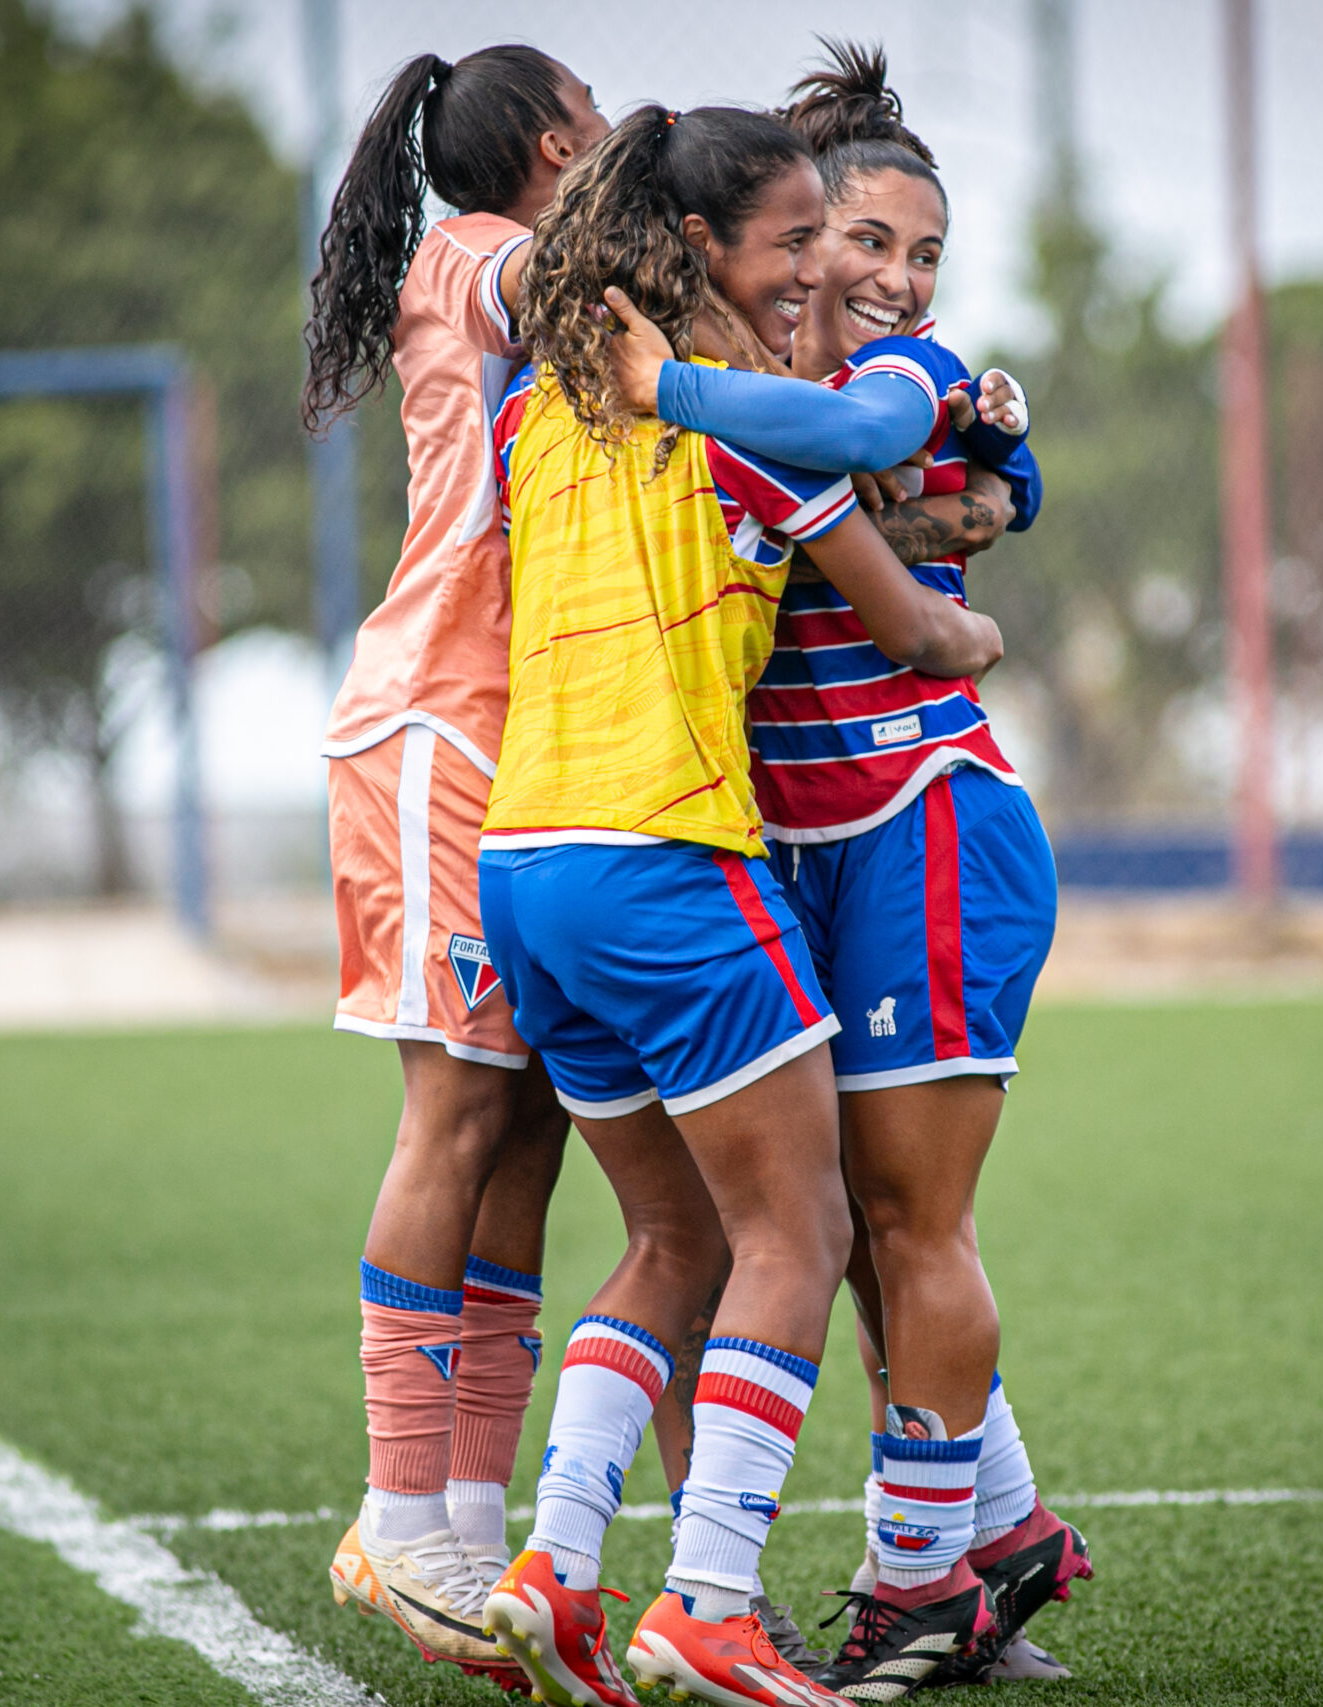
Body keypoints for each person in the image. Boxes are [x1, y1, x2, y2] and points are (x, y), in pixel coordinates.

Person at [473, 104, 1001, 1707]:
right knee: (806, 1226)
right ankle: (708, 1596)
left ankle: (556, 1564)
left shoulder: (527, 415)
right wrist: (963, 604)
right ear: (702, 247)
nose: (819, 275)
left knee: (669, 1231)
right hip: (671, 855)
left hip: (527, 866)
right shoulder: (754, 431)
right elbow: (913, 619)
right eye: (793, 244)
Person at [605, 45, 1089, 1694]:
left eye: (922, 251)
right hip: (775, 849)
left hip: (925, 822)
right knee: (850, 1222)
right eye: (862, 240)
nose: (894, 276)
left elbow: (926, 445)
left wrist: (979, 482)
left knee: (906, 1215)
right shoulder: (738, 375)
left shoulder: (894, 382)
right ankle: (1000, 1536)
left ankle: (915, 1587)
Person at [300, 44, 609, 1687]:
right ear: (560, 142)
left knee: (530, 1126)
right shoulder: (486, 252)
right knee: (456, 1110)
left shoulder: (489, 259)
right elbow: (618, 288)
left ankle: (469, 1515)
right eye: (610, 122)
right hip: (442, 732)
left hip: (529, 743)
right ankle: (395, 1509)